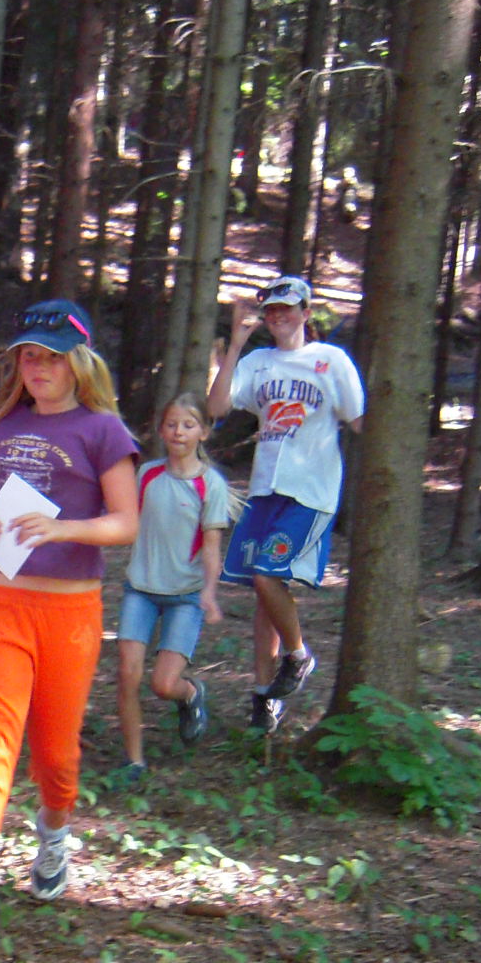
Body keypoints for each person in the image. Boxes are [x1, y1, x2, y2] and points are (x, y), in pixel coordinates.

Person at [0, 298, 139, 963]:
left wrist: (63, 529)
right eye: (29, 356)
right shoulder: (3, 424)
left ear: (79, 362)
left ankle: (54, 830)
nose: (39, 368)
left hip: (70, 613)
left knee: (56, 753)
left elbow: (126, 522)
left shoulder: (103, 430)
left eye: (52, 357)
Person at [204, 274, 363, 734]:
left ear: (306, 313)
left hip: (309, 491)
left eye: (287, 309)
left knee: (267, 575)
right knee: (264, 591)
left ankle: (297, 655)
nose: (278, 317)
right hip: (264, 490)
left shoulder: (331, 360)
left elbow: (359, 420)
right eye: (271, 310)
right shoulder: (258, 362)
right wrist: (236, 344)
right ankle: (264, 696)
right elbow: (217, 407)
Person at [111, 392, 232, 785]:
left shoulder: (210, 485)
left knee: (163, 684)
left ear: (204, 432)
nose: (179, 432)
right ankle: (134, 761)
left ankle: (190, 693)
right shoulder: (146, 475)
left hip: (186, 597)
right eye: (172, 424)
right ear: (161, 431)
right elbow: (120, 517)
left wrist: (209, 593)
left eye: (188, 425)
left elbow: (211, 546)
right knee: (127, 674)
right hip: (140, 589)